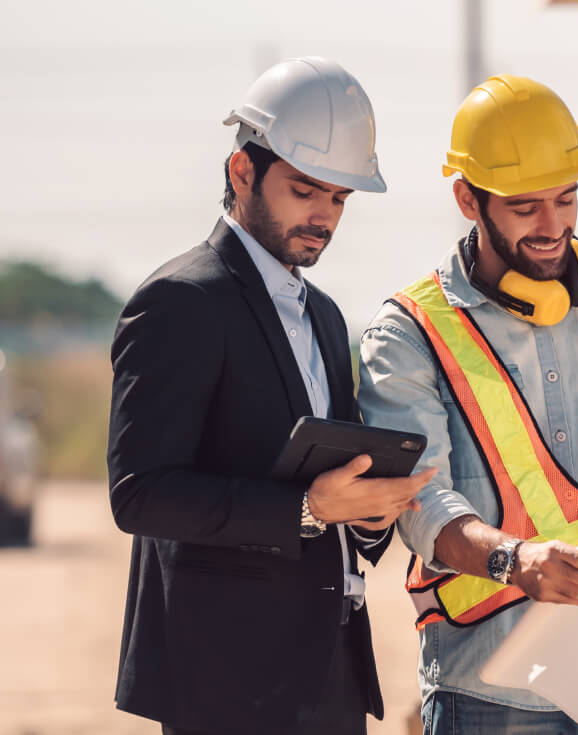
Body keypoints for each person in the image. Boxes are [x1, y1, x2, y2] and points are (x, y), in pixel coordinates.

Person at [357, 74, 578, 733]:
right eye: (526, 207)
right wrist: (513, 560)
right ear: (468, 198)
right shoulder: (411, 333)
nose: (553, 226)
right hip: (491, 696)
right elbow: (419, 507)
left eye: (567, 198)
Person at [107, 57, 435, 735]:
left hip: (330, 672)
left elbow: (331, 482)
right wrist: (308, 508)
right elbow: (139, 493)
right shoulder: (180, 302)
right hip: (226, 686)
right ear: (242, 173)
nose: (324, 217)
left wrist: (368, 515)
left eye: (340, 199)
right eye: (305, 191)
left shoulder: (324, 314)